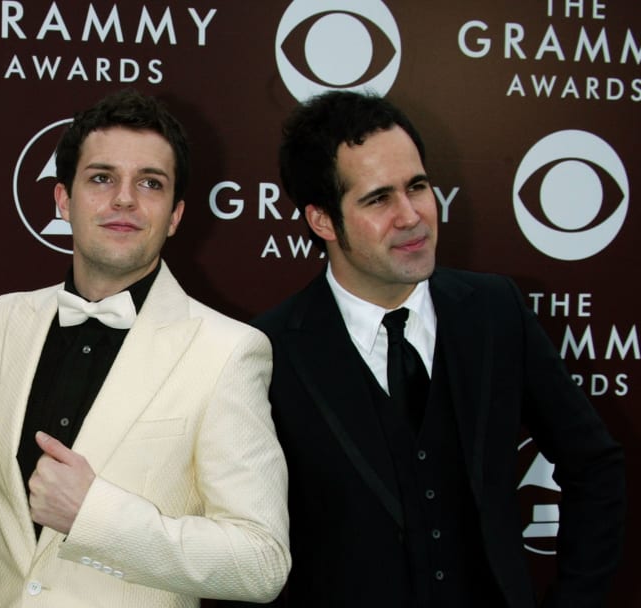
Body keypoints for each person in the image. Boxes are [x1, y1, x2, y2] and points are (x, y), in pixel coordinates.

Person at [241, 91, 625, 607]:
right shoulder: (268, 351)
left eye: (417, 187)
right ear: (322, 221)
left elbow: (594, 464)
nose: (411, 216)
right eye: (379, 199)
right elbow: (246, 544)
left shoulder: (494, 311)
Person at [0, 89, 290, 607]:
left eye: (150, 183)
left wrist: (93, 515)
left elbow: (260, 562)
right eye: (101, 178)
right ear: (63, 200)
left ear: (176, 214)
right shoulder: (2, 322)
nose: (124, 199)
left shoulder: (228, 351)